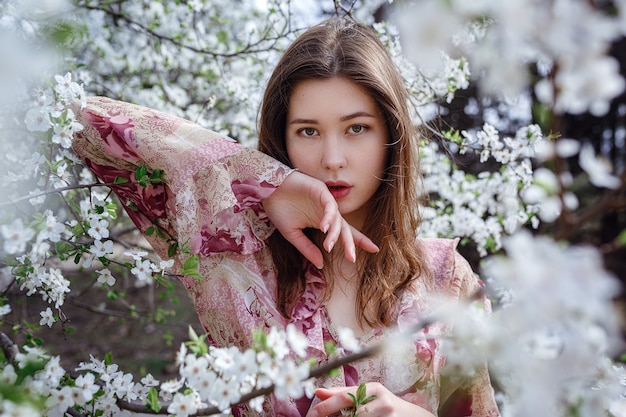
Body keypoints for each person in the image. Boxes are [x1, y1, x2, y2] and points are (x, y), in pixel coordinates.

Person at [71, 17, 500, 417]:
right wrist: (265, 183)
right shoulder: (236, 257)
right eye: (308, 131)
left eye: (356, 128)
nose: (332, 160)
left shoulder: (447, 281)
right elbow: (77, 120)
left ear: (391, 136)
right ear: (283, 141)